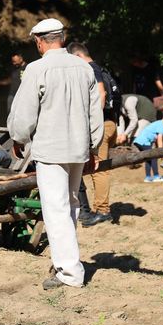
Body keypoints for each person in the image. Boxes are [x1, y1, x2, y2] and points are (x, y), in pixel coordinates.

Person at [7, 18, 103, 289]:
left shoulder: (37, 69)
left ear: (39, 41)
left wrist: (18, 138)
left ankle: (69, 272)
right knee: (71, 205)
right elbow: (95, 113)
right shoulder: (84, 69)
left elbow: (24, 113)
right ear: (62, 37)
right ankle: (68, 260)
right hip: (79, 149)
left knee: (56, 209)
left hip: (51, 149)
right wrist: (94, 147)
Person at [67, 42, 116, 227]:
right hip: (111, 123)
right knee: (98, 167)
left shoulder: (90, 68)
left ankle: (102, 211)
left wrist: (92, 122)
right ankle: (99, 208)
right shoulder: (101, 67)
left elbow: (101, 94)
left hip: (102, 124)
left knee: (99, 169)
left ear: (78, 56)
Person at [132, 112, 163, 183]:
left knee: (148, 158)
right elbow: (159, 139)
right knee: (154, 157)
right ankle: (156, 176)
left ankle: (148, 177)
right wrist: (160, 151)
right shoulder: (161, 125)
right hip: (144, 142)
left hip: (140, 141)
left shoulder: (159, 123)